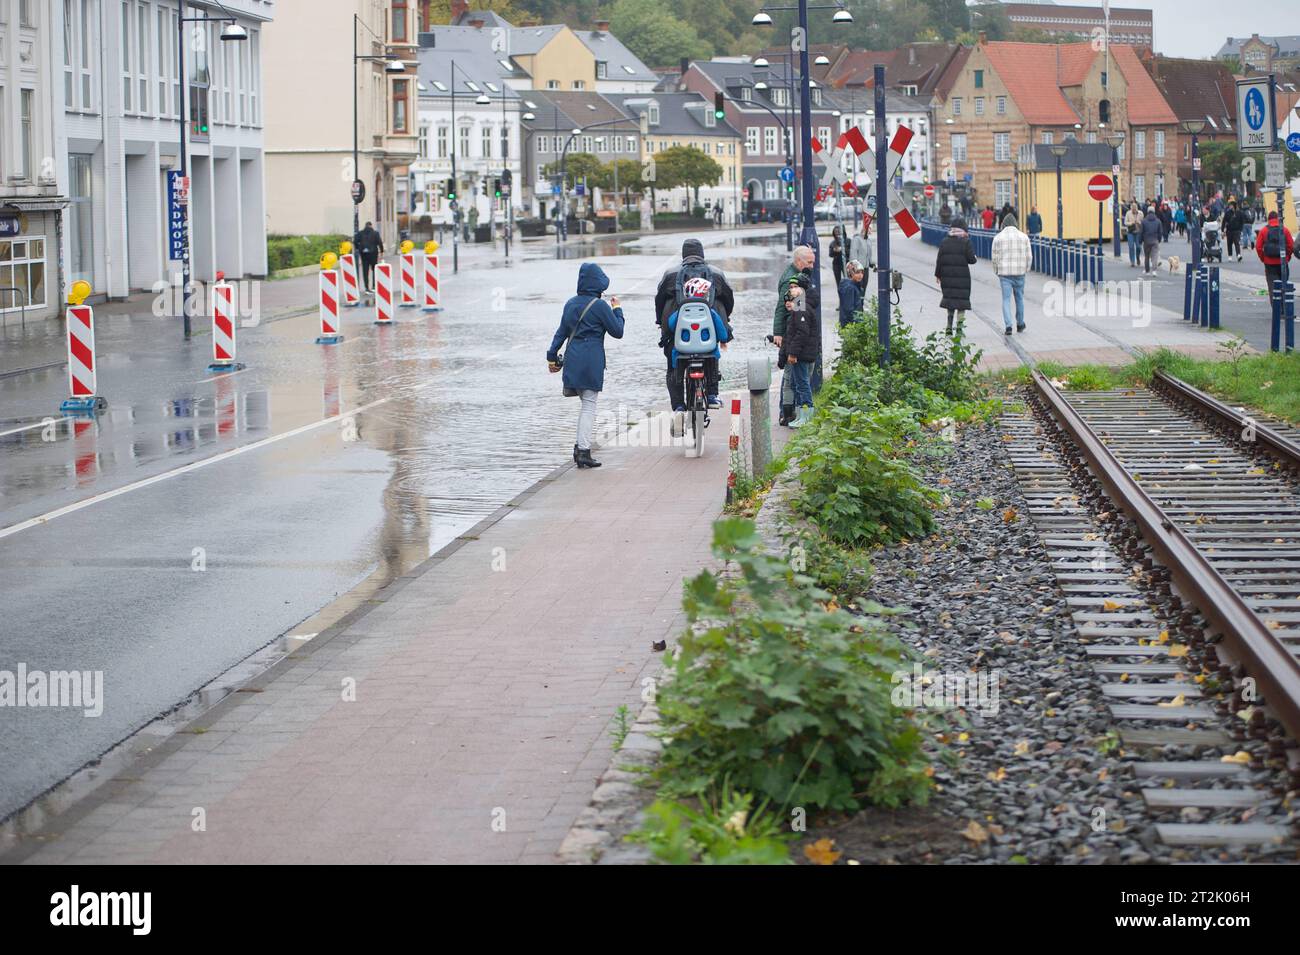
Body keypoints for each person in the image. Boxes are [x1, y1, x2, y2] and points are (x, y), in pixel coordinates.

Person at [546, 263, 625, 469]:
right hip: (591, 361)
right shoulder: (600, 306)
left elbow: (561, 333)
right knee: (589, 405)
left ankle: (579, 447)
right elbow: (618, 331)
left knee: (585, 404)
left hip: (572, 359)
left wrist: (551, 357)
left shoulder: (570, 304)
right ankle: (583, 450)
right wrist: (617, 309)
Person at [654, 238, 735, 411]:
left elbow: (659, 300)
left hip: (677, 335)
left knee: (673, 364)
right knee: (712, 354)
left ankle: (678, 406)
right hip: (709, 334)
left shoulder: (670, 275)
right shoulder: (717, 274)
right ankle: (712, 395)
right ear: (701, 254)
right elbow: (728, 299)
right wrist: (725, 324)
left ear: (684, 254)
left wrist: (660, 324)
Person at [772, 245, 819, 426]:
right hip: (794, 343)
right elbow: (780, 308)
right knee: (795, 380)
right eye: (809, 262)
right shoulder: (793, 284)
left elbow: (801, 329)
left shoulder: (800, 304)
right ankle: (789, 413)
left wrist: (791, 352)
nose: (812, 266)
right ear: (798, 262)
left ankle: (795, 414)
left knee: (797, 381)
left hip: (797, 347)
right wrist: (778, 333)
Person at [779, 281, 817, 428]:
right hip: (804, 353)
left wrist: (793, 353)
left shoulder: (801, 311)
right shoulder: (803, 309)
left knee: (802, 385)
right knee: (798, 384)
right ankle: (801, 415)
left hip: (802, 355)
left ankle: (806, 416)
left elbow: (801, 333)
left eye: (791, 297)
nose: (788, 301)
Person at [935, 217, 976, 336]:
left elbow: (939, 259)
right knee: (961, 302)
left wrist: (938, 274)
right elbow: (971, 260)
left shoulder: (944, 241)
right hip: (962, 277)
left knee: (950, 302)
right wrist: (975, 257)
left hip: (946, 277)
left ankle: (948, 327)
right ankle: (959, 328)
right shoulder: (966, 241)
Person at [991, 212, 1030, 335]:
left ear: (1003, 224)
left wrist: (997, 271)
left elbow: (994, 257)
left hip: (1004, 274)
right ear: (1015, 224)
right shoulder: (1024, 237)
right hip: (1019, 273)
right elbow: (1029, 256)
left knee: (1006, 299)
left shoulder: (998, 238)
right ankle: (1020, 323)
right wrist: (1026, 269)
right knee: (1019, 298)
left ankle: (1008, 325)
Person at [1255, 210, 1296, 300]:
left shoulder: (1264, 230)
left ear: (1268, 219)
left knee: (1273, 288)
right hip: (1283, 262)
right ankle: (1284, 308)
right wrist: (1287, 257)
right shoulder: (1284, 230)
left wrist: (1263, 258)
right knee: (1284, 286)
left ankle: (1276, 310)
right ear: (1278, 218)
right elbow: (1291, 246)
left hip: (1269, 264)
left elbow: (1258, 247)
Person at [355, 221, 383, 292]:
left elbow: (355, 241)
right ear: (371, 225)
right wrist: (382, 251)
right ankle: (374, 286)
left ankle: (366, 287)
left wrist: (359, 248)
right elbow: (379, 242)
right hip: (373, 253)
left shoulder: (360, 233)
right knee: (374, 269)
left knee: (365, 270)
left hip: (364, 254)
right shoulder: (375, 233)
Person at [837, 259, 866, 327]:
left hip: (851, 324)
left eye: (862, 273)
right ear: (850, 273)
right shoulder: (850, 288)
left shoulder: (854, 285)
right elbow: (849, 309)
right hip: (851, 325)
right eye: (857, 272)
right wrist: (856, 323)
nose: (860, 275)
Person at [1141, 206, 1162, 274]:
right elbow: (1160, 232)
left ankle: (1147, 270)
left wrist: (1140, 240)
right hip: (1155, 240)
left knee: (1147, 256)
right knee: (1155, 255)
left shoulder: (1144, 221)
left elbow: (1141, 232)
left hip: (1146, 240)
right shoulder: (1158, 221)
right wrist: (1159, 239)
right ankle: (1154, 270)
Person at [1124, 202, 1142, 267]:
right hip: (1130, 232)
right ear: (1131, 209)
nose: (1134, 211)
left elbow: (1143, 222)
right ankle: (1132, 261)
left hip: (1138, 232)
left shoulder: (1140, 213)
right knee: (1131, 247)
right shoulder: (1128, 213)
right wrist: (1131, 223)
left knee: (1138, 247)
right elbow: (1125, 222)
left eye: (1135, 210)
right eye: (1133, 210)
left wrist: (1139, 222)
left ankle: (1137, 257)